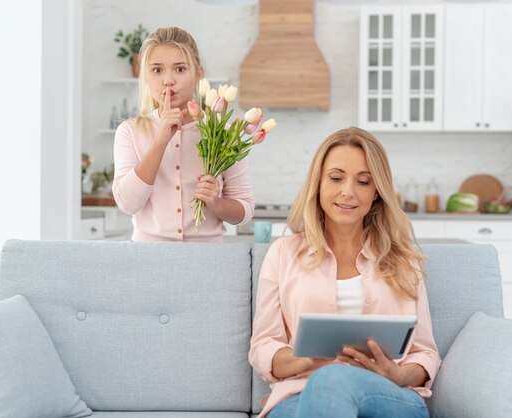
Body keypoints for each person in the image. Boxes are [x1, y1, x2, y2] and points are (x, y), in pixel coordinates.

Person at [249, 127, 441, 418]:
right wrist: (306, 358)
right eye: (336, 178)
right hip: (300, 395)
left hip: (386, 396)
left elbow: (425, 354)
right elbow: (264, 348)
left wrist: (397, 374)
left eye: (363, 182)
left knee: (333, 380)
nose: (348, 192)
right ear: (318, 183)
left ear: (377, 192)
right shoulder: (283, 254)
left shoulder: (404, 260)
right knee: (325, 385)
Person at [112, 27, 254, 242]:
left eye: (179, 69)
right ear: (146, 77)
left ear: (198, 74)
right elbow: (127, 203)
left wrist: (217, 203)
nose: (168, 80)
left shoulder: (223, 133)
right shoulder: (130, 131)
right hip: (147, 260)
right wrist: (161, 141)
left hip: (207, 259)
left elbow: (245, 210)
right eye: (157, 70)